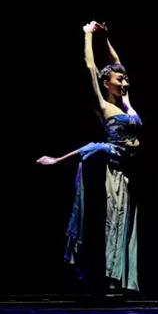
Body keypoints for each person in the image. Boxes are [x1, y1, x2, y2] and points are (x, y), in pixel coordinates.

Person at [36, 21, 142, 293]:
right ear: (106, 83)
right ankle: (106, 278)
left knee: (123, 224)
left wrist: (105, 37)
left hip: (130, 173)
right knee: (111, 222)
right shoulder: (103, 105)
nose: (125, 82)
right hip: (112, 170)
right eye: (119, 80)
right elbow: (90, 67)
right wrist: (87, 36)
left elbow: (116, 63)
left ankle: (117, 278)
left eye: (126, 79)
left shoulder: (126, 104)